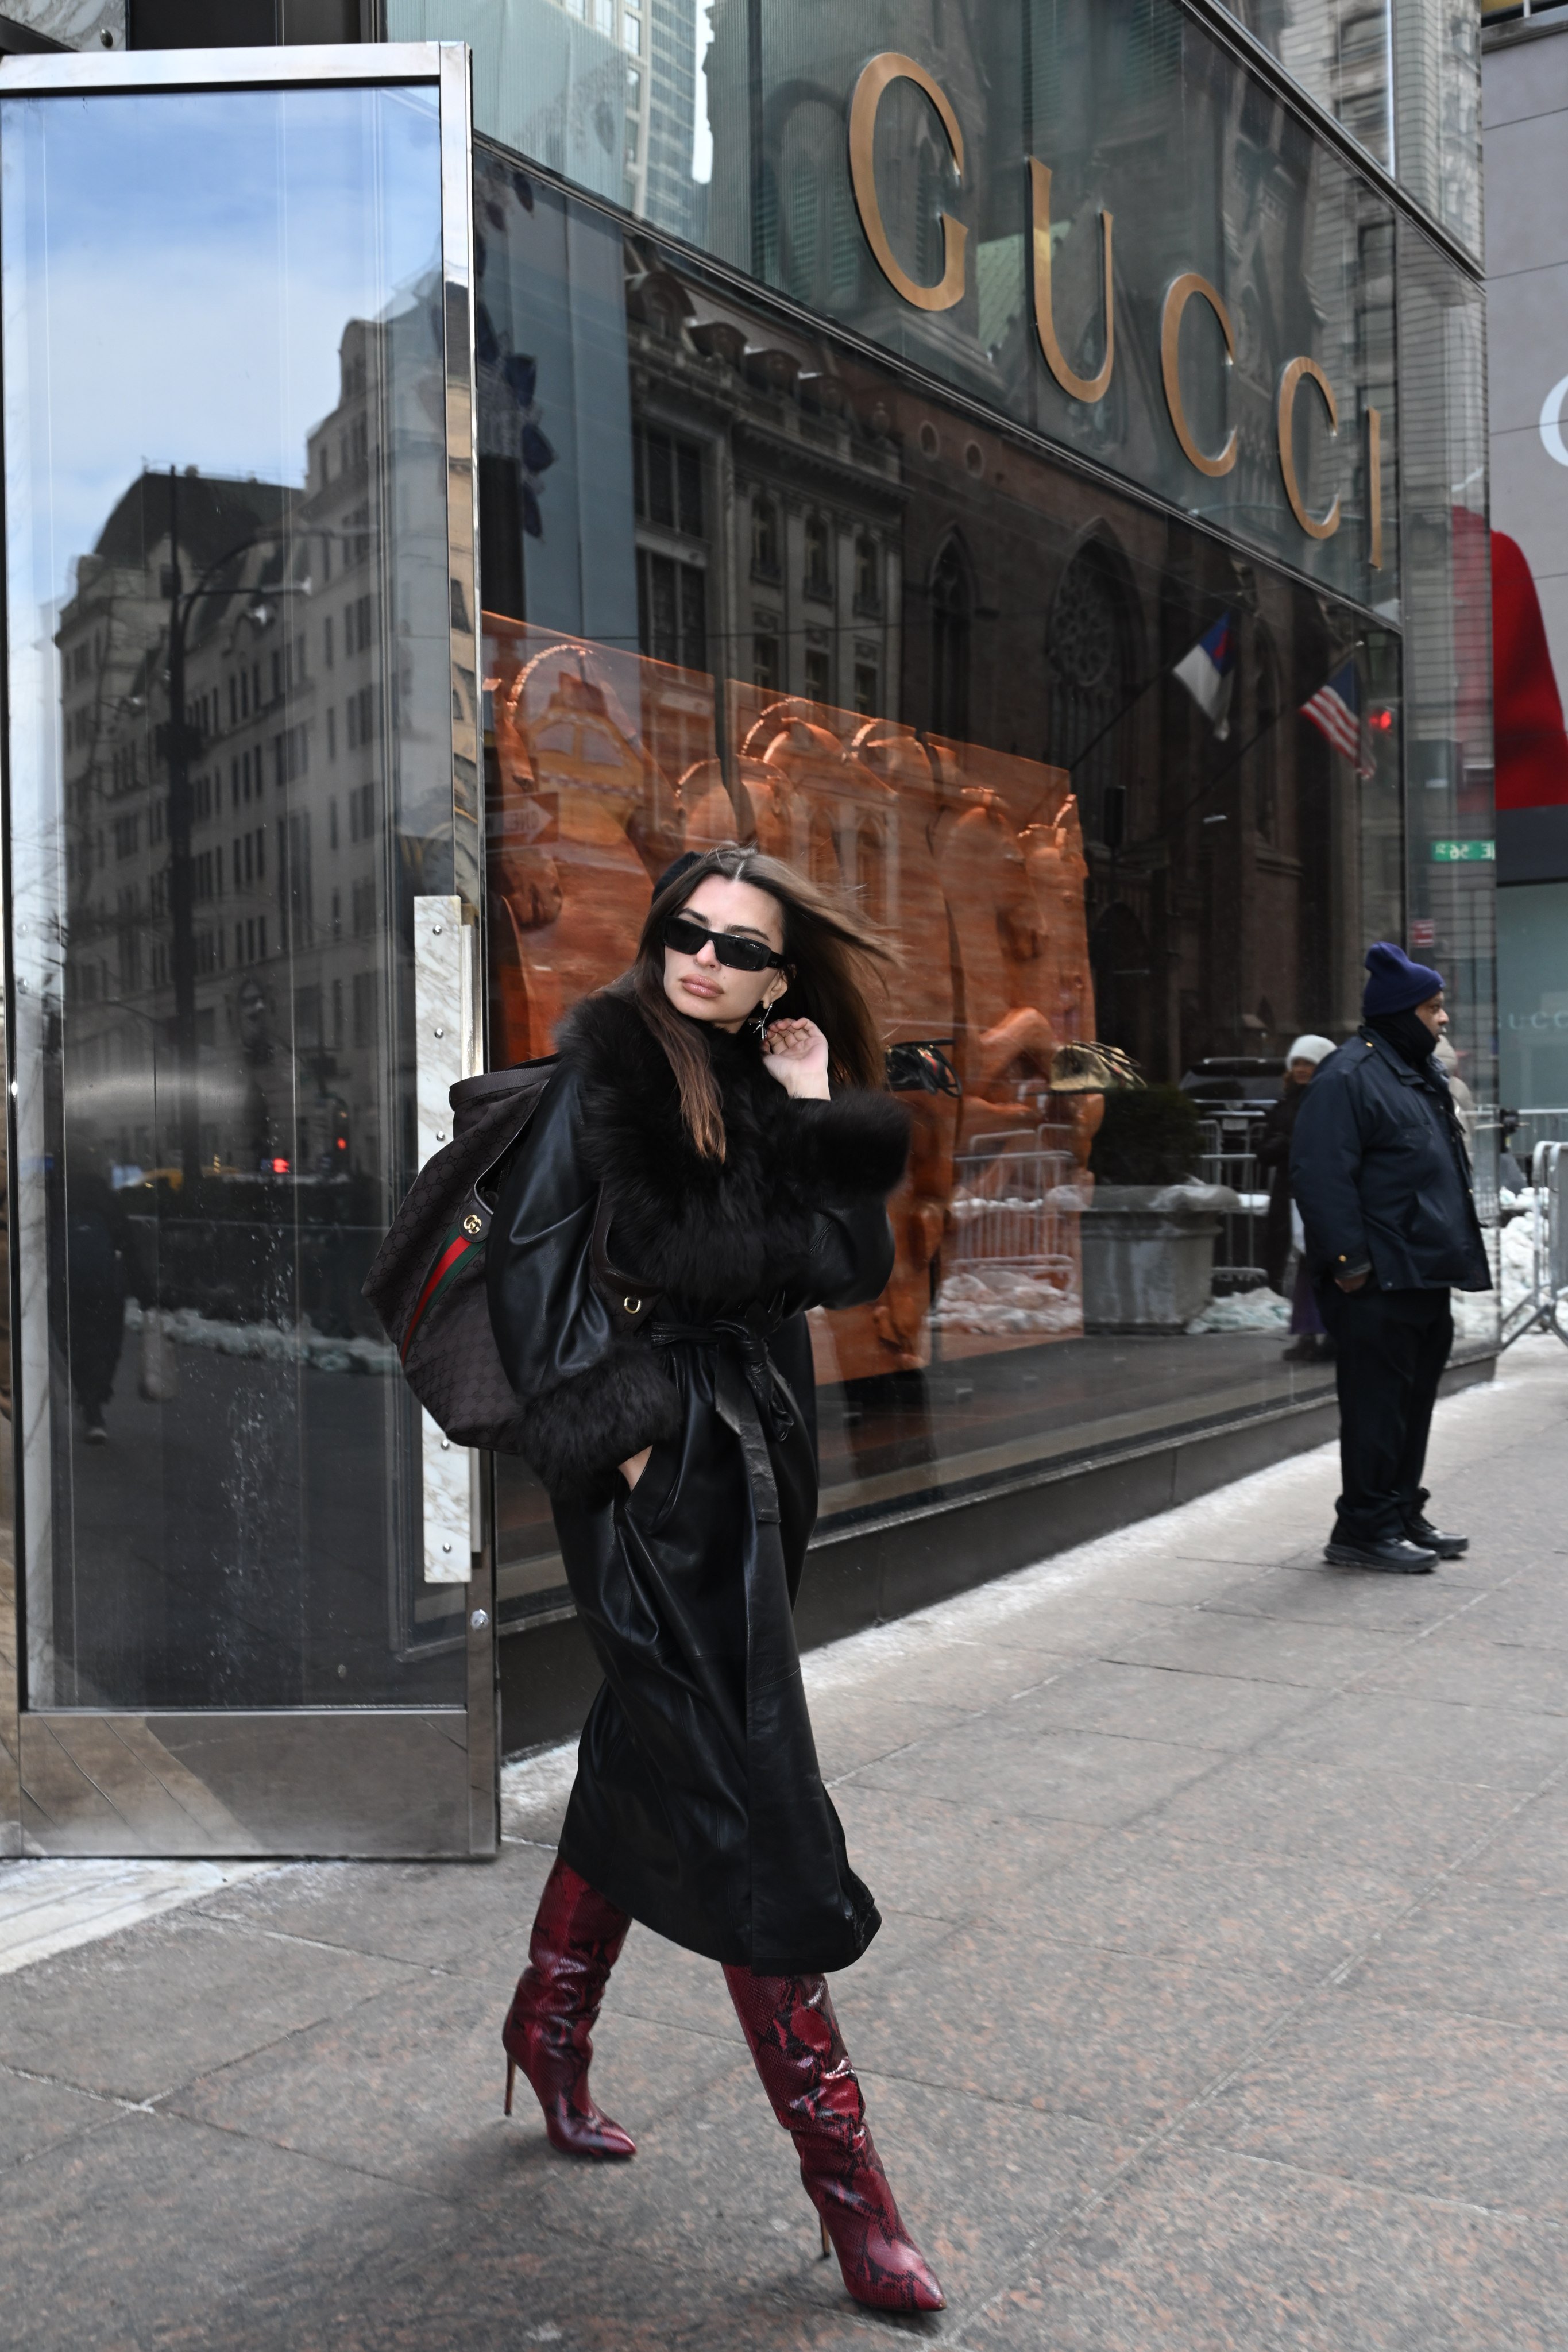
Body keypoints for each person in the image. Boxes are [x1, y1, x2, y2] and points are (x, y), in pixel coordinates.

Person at [486, 844, 944, 2315]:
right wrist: (624, 1454)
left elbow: (849, 1262)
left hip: (755, 1465)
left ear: (775, 983)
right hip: (655, 1473)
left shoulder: (762, 1087)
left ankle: (545, 2031)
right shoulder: (602, 1078)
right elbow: (538, 1288)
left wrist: (815, 1112)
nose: (704, 960)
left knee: (652, 1741)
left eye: (740, 949)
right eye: (686, 933)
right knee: (756, 1806)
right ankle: (852, 2195)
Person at [1290, 941, 1491, 1573]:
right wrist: (1351, 1264)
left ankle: (1400, 1510)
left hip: (1422, 1274)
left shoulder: (1413, 1072)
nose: (1444, 1019)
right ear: (1403, 1012)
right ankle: (1362, 1528)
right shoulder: (1349, 1076)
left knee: (1411, 1403)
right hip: (1377, 1281)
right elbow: (1321, 1175)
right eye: (1434, 1007)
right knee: (1377, 1408)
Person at [1255, 1034, 1337, 1362]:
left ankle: (1330, 1332)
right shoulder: (1287, 1104)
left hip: (1323, 1194)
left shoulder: (1331, 1100)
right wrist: (1284, 1144)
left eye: (1309, 1063)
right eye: (1297, 1063)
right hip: (1293, 1194)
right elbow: (1266, 1150)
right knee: (1306, 1267)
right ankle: (1308, 1332)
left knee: (1325, 1265)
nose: (1302, 1069)